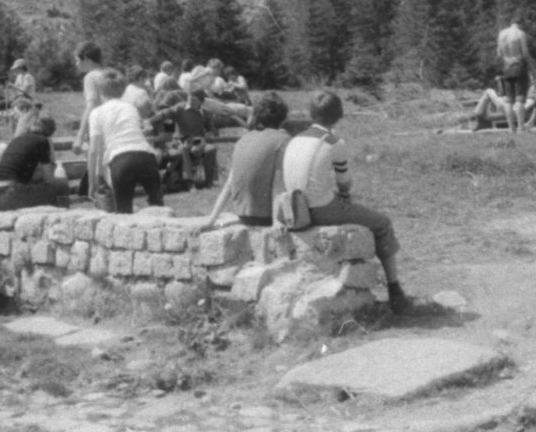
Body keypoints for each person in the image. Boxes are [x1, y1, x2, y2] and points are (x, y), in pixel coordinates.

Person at [284, 91, 413, 314]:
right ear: (339, 115)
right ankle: (395, 289)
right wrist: (344, 197)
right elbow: (344, 183)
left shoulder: (295, 139)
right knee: (382, 223)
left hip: (293, 208)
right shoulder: (334, 142)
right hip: (321, 209)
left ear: (311, 114)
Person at [207, 91, 292, 226]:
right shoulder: (283, 140)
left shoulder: (243, 139)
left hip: (243, 215)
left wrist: (211, 220)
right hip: (267, 217)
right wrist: (277, 224)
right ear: (283, 119)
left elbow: (229, 185)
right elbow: (278, 185)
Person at [87, 69, 163, 214]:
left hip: (120, 158)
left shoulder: (96, 113)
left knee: (123, 212)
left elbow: (93, 151)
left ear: (101, 91)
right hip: (145, 156)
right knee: (158, 208)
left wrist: (92, 183)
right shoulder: (131, 108)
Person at [0, 112, 70, 211]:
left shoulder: (16, 140)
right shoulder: (42, 141)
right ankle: (63, 214)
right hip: (11, 194)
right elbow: (48, 178)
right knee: (62, 185)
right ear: (50, 132)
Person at [169, 88, 218, 188]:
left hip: (198, 141)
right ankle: (190, 182)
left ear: (200, 101)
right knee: (184, 149)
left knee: (210, 149)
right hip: (180, 140)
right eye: (189, 99)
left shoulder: (205, 113)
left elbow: (211, 130)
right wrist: (151, 120)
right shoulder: (180, 108)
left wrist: (206, 137)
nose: (190, 102)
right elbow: (164, 114)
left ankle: (209, 182)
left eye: (193, 100)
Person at [496, 17, 533, 132]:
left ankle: (511, 128)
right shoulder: (520, 33)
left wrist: (507, 60)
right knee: (520, 98)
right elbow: (525, 53)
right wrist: (532, 66)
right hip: (518, 66)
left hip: (507, 68)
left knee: (508, 100)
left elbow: (499, 54)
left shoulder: (501, 34)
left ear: (511, 23)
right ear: (520, 24)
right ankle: (521, 127)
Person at [71, 42, 107, 155]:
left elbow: (91, 106)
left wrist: (79, 137)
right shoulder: (109, 74)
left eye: (77, 60)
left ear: (86, 58)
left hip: (100, 130)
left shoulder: (91, 77)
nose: (76, 64)